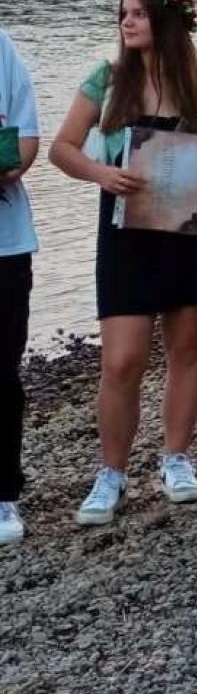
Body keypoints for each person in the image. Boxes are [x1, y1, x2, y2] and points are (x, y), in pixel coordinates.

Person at [49, 0, 197, 527]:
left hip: (191, 229)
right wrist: (101, 173)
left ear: (168, 19)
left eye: (139, 13)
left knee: (187, 350)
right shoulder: (107, 79)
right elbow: (62, 149)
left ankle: (176, 459)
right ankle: (111, 473)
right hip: (126, 232)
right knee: (121, 359)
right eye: (123, 15)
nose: (128, 22)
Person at [0, 29, 41, 546]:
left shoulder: (2, 47)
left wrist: (13, 166)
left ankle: (4, 490)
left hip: (5, 244)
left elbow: (27, 138)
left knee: (2, 374)